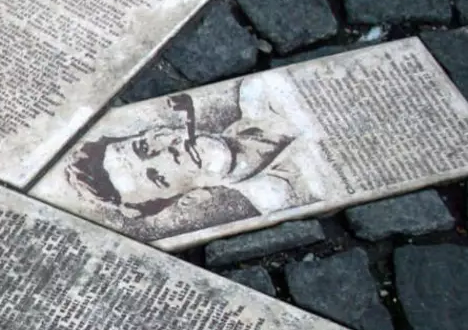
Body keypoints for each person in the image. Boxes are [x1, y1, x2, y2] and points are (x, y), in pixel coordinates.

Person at [62, 77, 307, 240]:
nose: (169, 155)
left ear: (158, 130)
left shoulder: (260, 90)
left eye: (144, 146)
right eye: (159, 178)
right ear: (192, 197)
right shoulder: (284, 198)